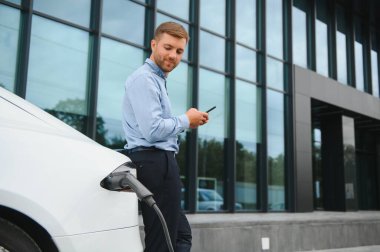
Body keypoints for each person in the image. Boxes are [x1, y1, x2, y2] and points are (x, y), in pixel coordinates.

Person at [122, 22, 209, 252]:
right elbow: (152, 130)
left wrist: (189, 121)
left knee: (180, 235)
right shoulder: (145, 79)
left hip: (159, 161)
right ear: (154, 44)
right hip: (154, 161)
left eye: (179, 51)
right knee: (163, 240)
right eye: (168, 47)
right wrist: (185, 120)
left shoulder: (157, 79)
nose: (173, 55)